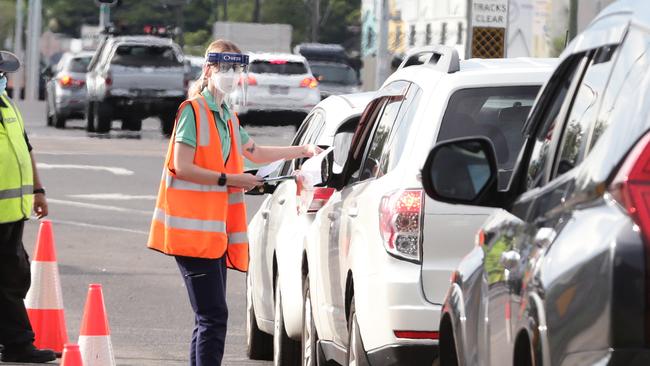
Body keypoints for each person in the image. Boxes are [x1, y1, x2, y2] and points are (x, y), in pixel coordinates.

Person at [147, 39, 322, 366]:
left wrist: (302, 151)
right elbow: (182, 166)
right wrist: (234, 180)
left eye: (235, 69)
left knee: (207, 319)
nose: (229, 75)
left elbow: (254, 152)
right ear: (208, 69)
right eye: (223, 68)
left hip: (213, 236)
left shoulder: (225, 115)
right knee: (213, 317)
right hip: (190, 235)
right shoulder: (193, 112)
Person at [0, 50, 54, 363]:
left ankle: (15, 341)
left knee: (15, 276)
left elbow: (25, 148)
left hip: (12, 212)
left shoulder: (8, 105)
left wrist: (38, 190)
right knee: (8, 279)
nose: (4, 79)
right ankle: (19, 344)